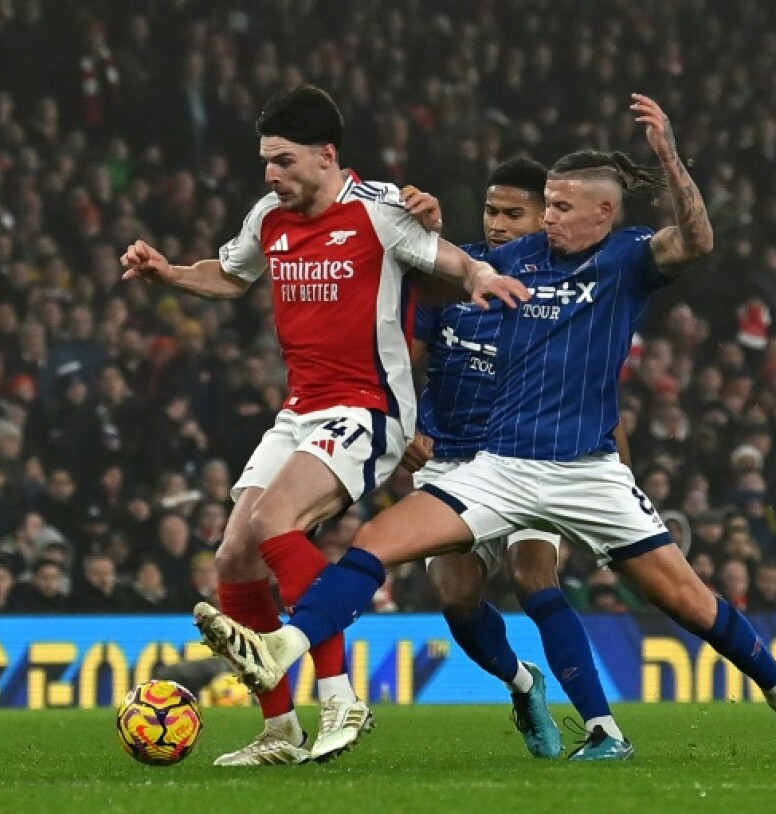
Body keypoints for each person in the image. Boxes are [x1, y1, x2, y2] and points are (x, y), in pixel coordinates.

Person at [195, 94, 776, 763]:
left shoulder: (629, 259)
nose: (545, 218)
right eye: (545, 205)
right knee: (374, 543)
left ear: (604, 213)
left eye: (559, 207)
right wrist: (425, 227)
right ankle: (286, 648)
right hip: (498, 468)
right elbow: (426, 277)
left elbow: (697, 240)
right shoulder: (515, 260)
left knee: (690, 605)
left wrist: (669, 159)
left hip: (587, 472)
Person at [120, 84, 526, 766]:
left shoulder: (381, 209)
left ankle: (341, 697)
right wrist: (169, 274)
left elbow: (450, 261)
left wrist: (480, 275)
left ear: (326, 155)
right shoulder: (269, 217)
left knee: (275, 521)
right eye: (265, 161)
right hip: (301, 409)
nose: (270, 174)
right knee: (234, 557)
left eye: (283, 160)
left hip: (369, 406)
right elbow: (230, 276)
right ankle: (281, 732)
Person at [398, 158, 632, 760]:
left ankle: (602, 726)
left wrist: (619, 480)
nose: (497, 224)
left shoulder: (571, 287)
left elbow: (598, 395)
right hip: (452, 459)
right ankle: (523, 684)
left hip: (531, 457)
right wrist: (403, 432)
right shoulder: (455, 277)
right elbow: (400, 364)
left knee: (533, 574)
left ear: (545, 217)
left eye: (514, 213)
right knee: (455, 594)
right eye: (490, 211)